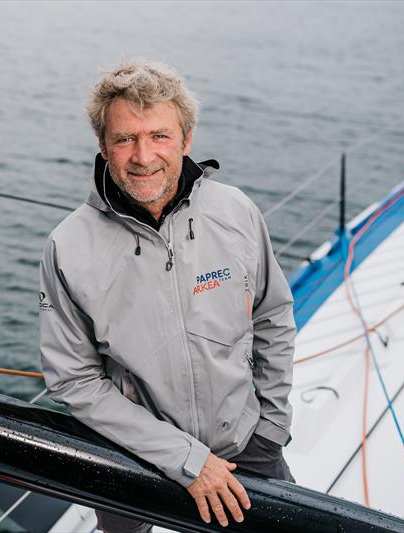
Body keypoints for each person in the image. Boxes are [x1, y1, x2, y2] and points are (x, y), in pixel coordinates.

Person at [38, 59, 296, 532]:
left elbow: (273, 314)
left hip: (246, 446)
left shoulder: (236, 212)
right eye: (124, 138)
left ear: (186, 139)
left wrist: (273, 425)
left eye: (159, 135)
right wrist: (186, 459)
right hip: (133, 456)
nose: (142, 155)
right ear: (103, 145)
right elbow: (74, 381)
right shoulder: (68, 246)